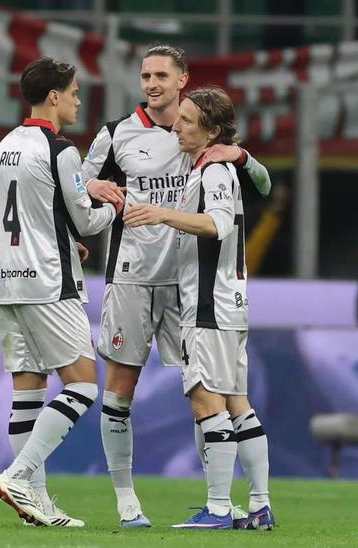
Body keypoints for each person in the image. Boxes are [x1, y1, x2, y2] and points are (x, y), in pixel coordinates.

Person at [81, 44, 271, 527]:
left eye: (161, 75)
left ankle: (222, 503)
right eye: (145, 76)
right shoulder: (116, 135)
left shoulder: (200, 140)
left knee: (208, 396)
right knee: (121, 389)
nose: (152, 84)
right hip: (132, 277)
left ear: (182, 79)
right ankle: (128, 501)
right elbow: (75, 192)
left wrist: (243, 155)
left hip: (191, 288)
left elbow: (262, 185)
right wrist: (89, 191)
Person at [123, 87, 275, 530]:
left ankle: (219, 508)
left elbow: (218, 224)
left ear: (211, 131)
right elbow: (262, 183)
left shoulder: (213, 171)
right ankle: (260, 506)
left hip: (208, 305)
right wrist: (243, 157)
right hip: (229, 303)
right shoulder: (214, 165)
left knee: (206, 401)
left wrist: (162, 214)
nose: (176, 125)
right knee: (238, 403)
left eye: (187, 120)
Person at [0, 56, 119, 527]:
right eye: (75, 92)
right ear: (54, 96)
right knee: (82, 384)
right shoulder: (60, 149)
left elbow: (30, 213)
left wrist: (65, 239)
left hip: (10, 282)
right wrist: (116, 207)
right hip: (49, 283)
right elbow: (85, 218)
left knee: (28, 390)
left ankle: (35, 504)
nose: (79, 101)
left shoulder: (2, 148)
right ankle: (18, 476)